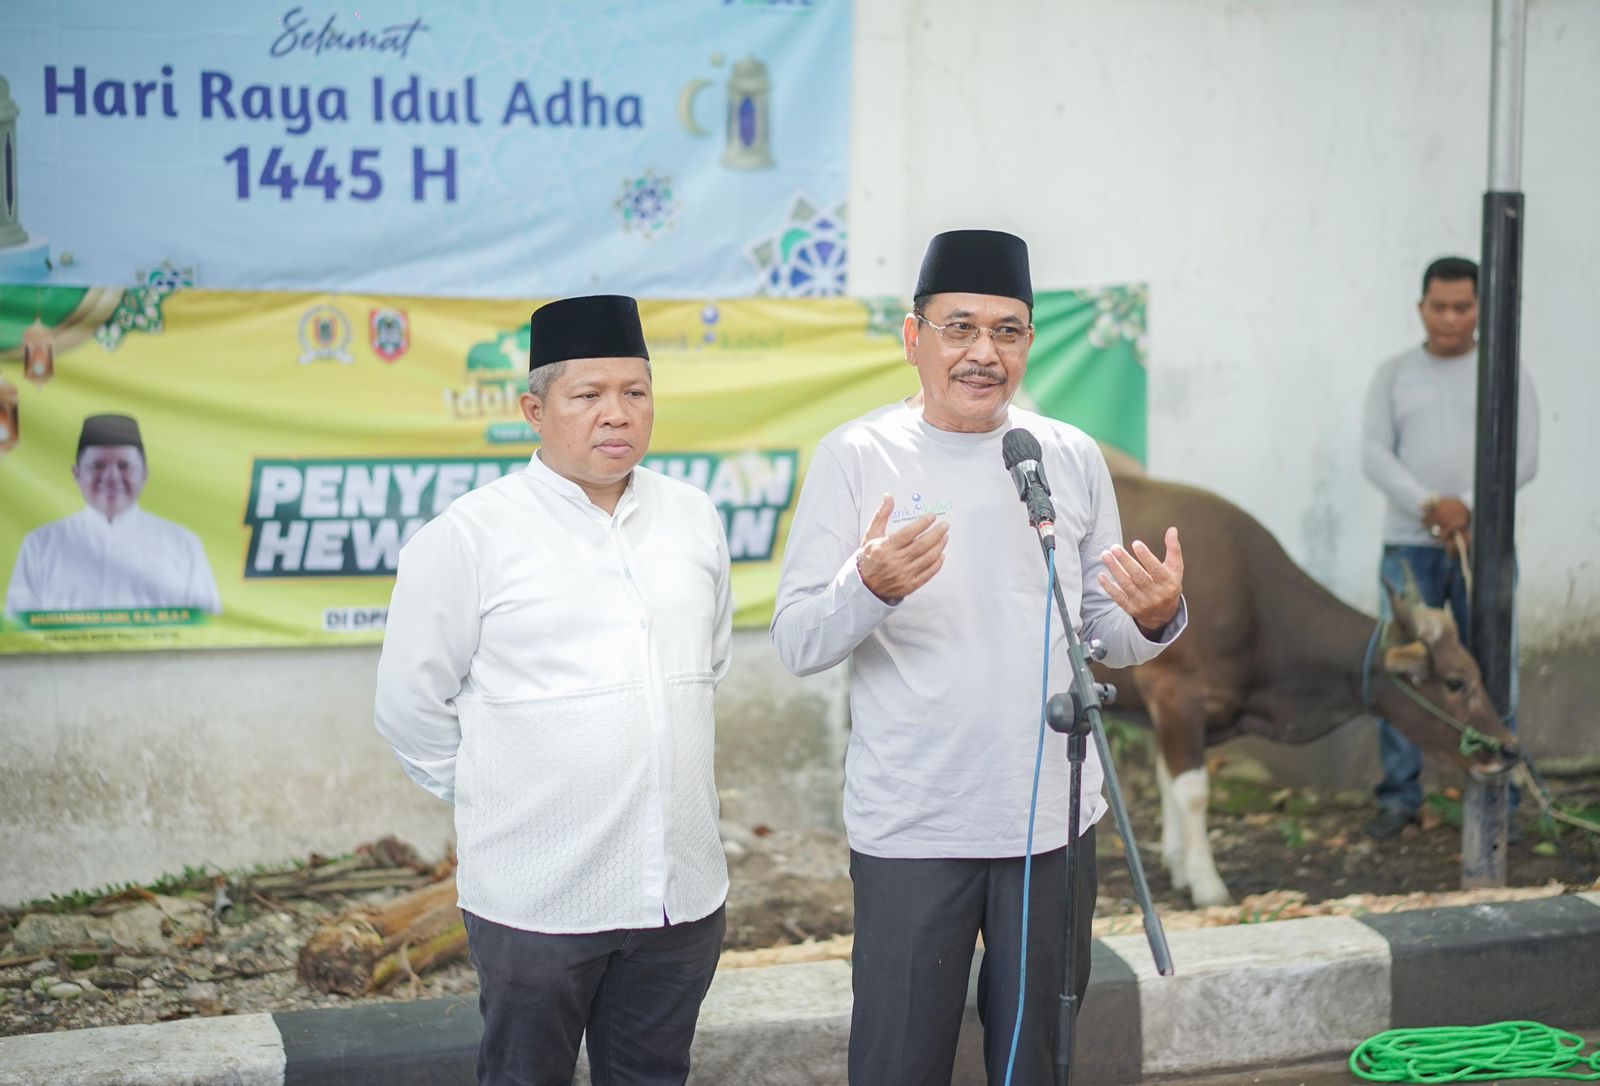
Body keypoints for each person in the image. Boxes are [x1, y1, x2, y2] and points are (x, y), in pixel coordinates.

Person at [770, 230, 1187, 1085]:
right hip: (913, 824)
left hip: (1052, 825)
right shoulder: (857, 455)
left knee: (1036, 1062)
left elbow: (1101, 633)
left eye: (1007, 331)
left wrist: (1157, 617)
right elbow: (799, 640)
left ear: (1029, 343)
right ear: (913, 336)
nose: (983, 353)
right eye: (959, 327)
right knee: (898, 1061)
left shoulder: (1066, 456)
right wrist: (870, 588)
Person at [374, 295, 733, 1086]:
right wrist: (497, 793)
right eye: (589, 394)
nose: (617, 414)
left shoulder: (692, 517)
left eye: (635, 392)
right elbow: (408, 705)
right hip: (537, 904)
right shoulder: (469, 536)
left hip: (679, 897)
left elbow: (704, 664)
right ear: (534, 410)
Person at [1361, 256, 1539, 840]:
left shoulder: (1504, 373)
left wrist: (1466, 506)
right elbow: (1374, 455)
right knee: (1404, 666)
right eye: (1439, 307)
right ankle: (1400, 796)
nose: (1450, 318)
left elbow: (1523, 456)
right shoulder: (1394, 374)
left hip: (1481, 547)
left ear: (1479, 309)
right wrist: (1430, 506)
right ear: (1422, 308)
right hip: (1408, 546)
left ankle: (1499, 796)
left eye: (1462, 307)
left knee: (1492, 664)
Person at [5, 413, 222, 615]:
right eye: (97, 466)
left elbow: (209, 625)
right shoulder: (41, 545)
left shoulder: (183, 544)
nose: (111, 477)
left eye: (125, 466)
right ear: (76, 473)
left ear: (145, 474)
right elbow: (19, 627)